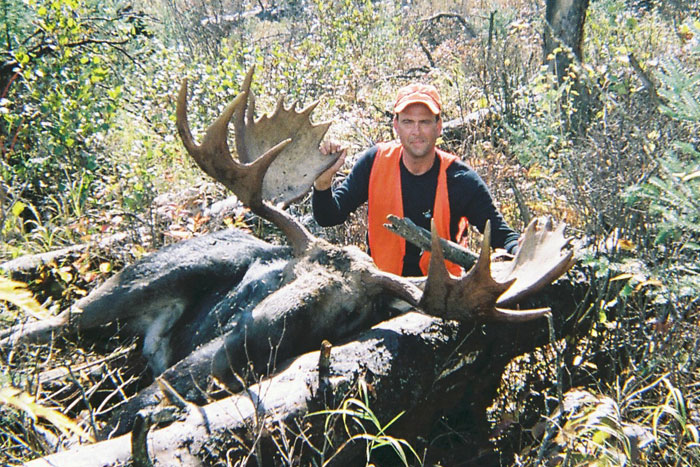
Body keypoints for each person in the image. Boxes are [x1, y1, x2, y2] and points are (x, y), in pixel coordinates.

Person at [312, 83, 520, 277]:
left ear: (438, 126)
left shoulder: (460, 179)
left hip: (445, 298)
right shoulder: (374, 162)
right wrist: (322, 183)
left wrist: (522, 248)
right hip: (383, 291)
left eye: (425, 122)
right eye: (408, 122)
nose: (416, 132)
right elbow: (329, 217)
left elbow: (503, 236)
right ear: (396, 125)